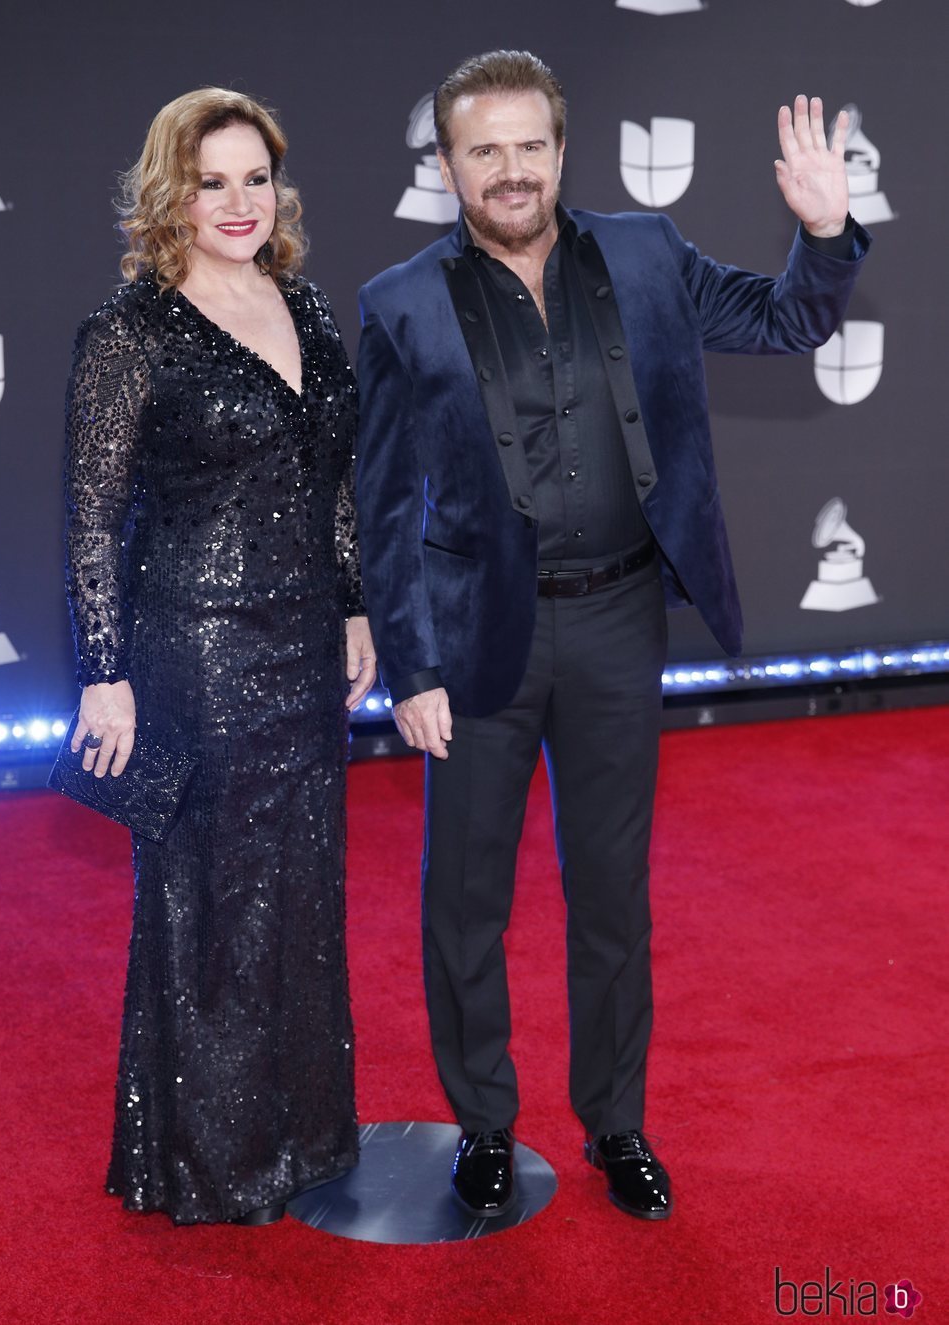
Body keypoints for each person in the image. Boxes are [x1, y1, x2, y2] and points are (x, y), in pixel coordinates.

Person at [354, 50, 869, 1221]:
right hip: (478, 636)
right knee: (464, 901)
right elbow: (379, 502)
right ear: (445, 167)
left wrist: (826, 234)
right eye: (483, 150)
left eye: (528, 144)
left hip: (616, 620)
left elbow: (788, 319)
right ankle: (485, 1121)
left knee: (611, 891)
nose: (511, 169)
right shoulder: (398, 302)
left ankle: (615, 1121)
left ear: (559, 149)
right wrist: (411, 662)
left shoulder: (644, 254)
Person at [64, 88, 375, 1226]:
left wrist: (350, 605)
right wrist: (106, 673)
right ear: (169, 194)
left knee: (301, 890)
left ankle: (302, 1131)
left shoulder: (306, 304)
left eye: (256, 178)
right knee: (210, 899)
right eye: (212, 182)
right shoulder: (131, 334)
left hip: (301, 650)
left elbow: (332, 476)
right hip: (193, 650)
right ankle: (210, 1159)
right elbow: (92, 517)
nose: (240, 202)